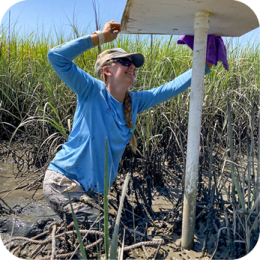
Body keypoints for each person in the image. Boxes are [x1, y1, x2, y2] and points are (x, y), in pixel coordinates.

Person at [43, 20, 213, 228]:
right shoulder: (91, 91)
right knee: (104, 235)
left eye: (133, 63)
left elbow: (170, 88)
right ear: (106, 70)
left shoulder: (134, 102)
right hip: (63, 183)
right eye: (124, 62)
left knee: (95, 238)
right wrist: (101, 37)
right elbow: (56, 57)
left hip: (91, 193)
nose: (132, 66)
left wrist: (204, 66)